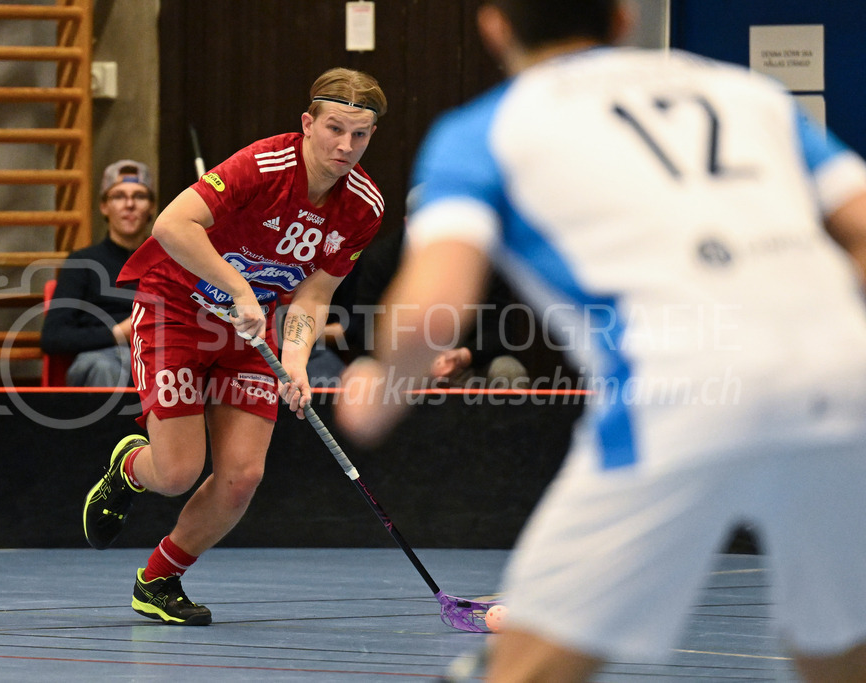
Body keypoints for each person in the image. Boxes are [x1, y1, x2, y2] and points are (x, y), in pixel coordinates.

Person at [336, 1, 866, 681]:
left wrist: (382, 388)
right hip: (845, 373)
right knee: (838, 649)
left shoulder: (485, 131)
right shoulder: (746, 94)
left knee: (526, 663)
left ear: (494, 26)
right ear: (622, 20)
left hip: (679, 390)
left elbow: (432, 308)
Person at [82, 68, 387, 625]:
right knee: (176, 474)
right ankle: (129, 467)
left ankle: (159, 580)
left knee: (242, 477)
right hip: (175, 309)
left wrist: (295, 362)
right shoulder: (263, 165)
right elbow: (172, 225)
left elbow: (315, 296)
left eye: (360, 135)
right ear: (307, 123)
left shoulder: (364, 207)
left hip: (248, 332)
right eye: (335, 128)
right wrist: (240, 286)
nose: (346, 146)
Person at [40, 160, 155, 387]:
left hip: (158, 355)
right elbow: (53, 337)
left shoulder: (168, 262)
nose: (129, 204)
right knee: (104, 367)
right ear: (104, 206)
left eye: (140, 196)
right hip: (104, 356)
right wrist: (119, 333)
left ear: (151, 207)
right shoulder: (82, 262)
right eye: (119, 196)